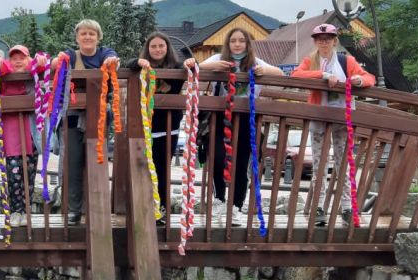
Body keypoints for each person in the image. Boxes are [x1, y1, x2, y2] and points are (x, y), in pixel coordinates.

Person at [190, 27, 283, 225]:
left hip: (246, 119)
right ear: (228, 44)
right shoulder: (218, 58)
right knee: (217, 158)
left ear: (248, 44)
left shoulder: (256, 62)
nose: (237, 44)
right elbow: (196, 67)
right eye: (233, 41)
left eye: (241, 40)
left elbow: (281, 74)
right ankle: (219, 199)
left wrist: (264, 71)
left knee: (241, 164)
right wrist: (214, 68)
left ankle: (236, 206)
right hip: (220, 118)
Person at [291, 23, 375, 226]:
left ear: (334, 41)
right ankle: (319, 207)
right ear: (315, 42)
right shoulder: (311, 60)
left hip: (342, 118)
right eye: (320, 39)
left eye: (328, 38)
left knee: (343, 163)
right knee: (319, 164)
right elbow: (295, 75)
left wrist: (358, 80)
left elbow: (369, 78)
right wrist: (322, 75)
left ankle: (347, 207)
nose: (324, 42)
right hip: (319, 116)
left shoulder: (346, 61)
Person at [125, 33, 194, 224]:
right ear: (148, 49)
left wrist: (191, 62)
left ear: (167, 47)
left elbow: (192, 66)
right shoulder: (142, 66)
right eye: (153, 46)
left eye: (161, 46)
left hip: (168, 128)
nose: (157, 49)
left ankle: (160, 208)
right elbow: (128, 63)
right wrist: (139, 62)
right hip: (144, 127)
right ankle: (143, 207)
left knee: (162, 169)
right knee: (143, 168)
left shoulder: (176, 67)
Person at [56, 19, 118, 225]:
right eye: (83, 33)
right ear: (77, 37)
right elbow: (57, 62)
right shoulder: (71, 55)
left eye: (92, 33)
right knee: (73, 164)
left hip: (98, 118)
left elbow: (112, 58)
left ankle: (98, 208)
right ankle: (74, 210)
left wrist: (112, 61)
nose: (88, 37)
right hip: (73, 117)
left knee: (97, 163)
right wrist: (57, 60)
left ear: (98, 37)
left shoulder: (105, 53)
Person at [0, 44, 41, 227]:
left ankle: (27, 211)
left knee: (29, 174)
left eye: (22, 58)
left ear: (29, 59)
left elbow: (44, 64)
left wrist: (38, 61)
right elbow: (0, 66)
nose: (18, 61)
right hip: (12, 134)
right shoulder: (5, 75)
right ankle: (16, 210)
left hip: (30, 133)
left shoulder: (32, 74)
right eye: (14, 58)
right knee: (13, 175)